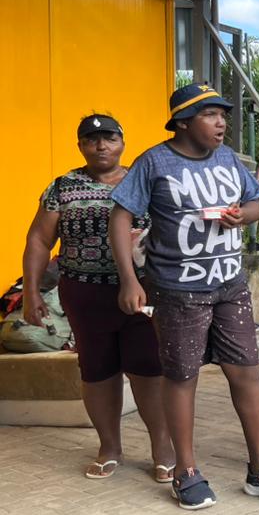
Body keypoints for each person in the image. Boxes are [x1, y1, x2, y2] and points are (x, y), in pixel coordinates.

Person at [109, 84, 259, 509]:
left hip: (230, 286)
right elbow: (120, 218)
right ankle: (186, 471)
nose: (221, 123)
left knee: (247, 372)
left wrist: (241, 216)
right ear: (182, 122)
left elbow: (257, 205)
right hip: (178, 290)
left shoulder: (228, 158)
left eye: (223, 115)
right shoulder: (154, 162)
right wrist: (129, 279)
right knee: (182, 376)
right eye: (210, 115)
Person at [23, 115, 172, 481]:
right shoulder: (62, 187)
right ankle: (109, 447)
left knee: (148, 369)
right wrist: (30, 292)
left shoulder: (144, 181)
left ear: (122, 142)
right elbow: (39, 240)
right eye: (91, 139)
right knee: (97, 370)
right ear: (80, 146)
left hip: (143, 292)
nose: (101, 145)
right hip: (85, 293)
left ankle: (163, 448)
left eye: (109, 138)